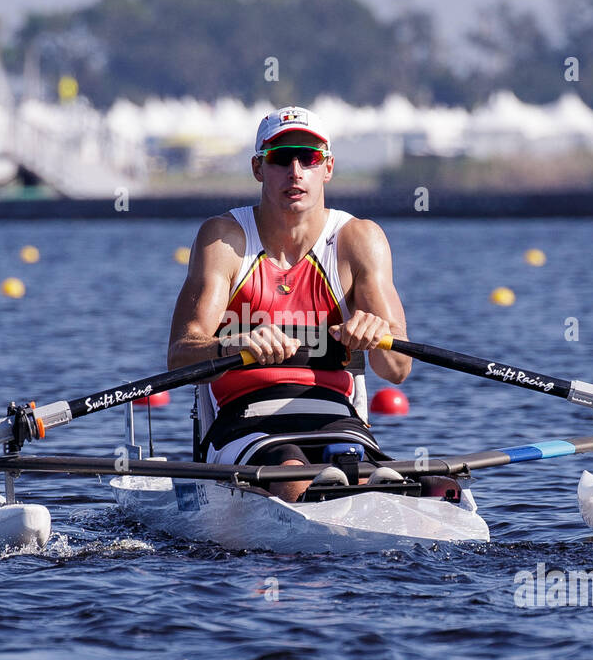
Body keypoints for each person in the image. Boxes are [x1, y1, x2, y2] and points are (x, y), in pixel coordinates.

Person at [167, 105, 410, 502]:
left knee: (366, 478)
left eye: (308, 158)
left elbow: (398, 370)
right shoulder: (224, 241)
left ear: (327, 167)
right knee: (293, 473)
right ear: (258, 168)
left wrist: (380, 336)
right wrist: (233, 345)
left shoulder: (359, 241)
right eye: (281, 158)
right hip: (246, 423)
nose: (295, 171)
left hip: (338, 420)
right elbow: (179, 356)